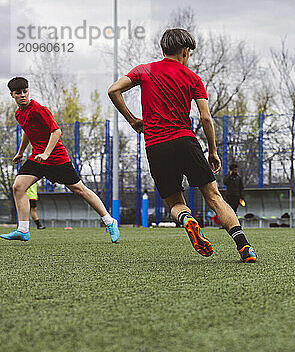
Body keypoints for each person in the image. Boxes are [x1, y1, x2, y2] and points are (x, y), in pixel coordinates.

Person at [107, 28, 256, 263]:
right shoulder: (192, 78)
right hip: (185, 141)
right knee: (214, 196)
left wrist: (133, 120)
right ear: (185, 52)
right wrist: (213, 151)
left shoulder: (143, 70)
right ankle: (244, 247)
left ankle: (187, 219)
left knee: (175, 203)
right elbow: (206, 118)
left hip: (156, 145)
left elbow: (113, 90)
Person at [1, 77, 120, 242]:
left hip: (56, 159)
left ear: (28, 91)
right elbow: (28, 132)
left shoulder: (39, 109)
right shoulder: (18, 114)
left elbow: (56, 132)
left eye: (25, 91)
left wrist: (47, 154)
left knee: (80, 190)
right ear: (12, 95)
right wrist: (21, 152)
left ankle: (109, 221)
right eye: (18, 93)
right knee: (18, 187)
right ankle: (23, 230)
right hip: (37, 158)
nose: (23, 95)